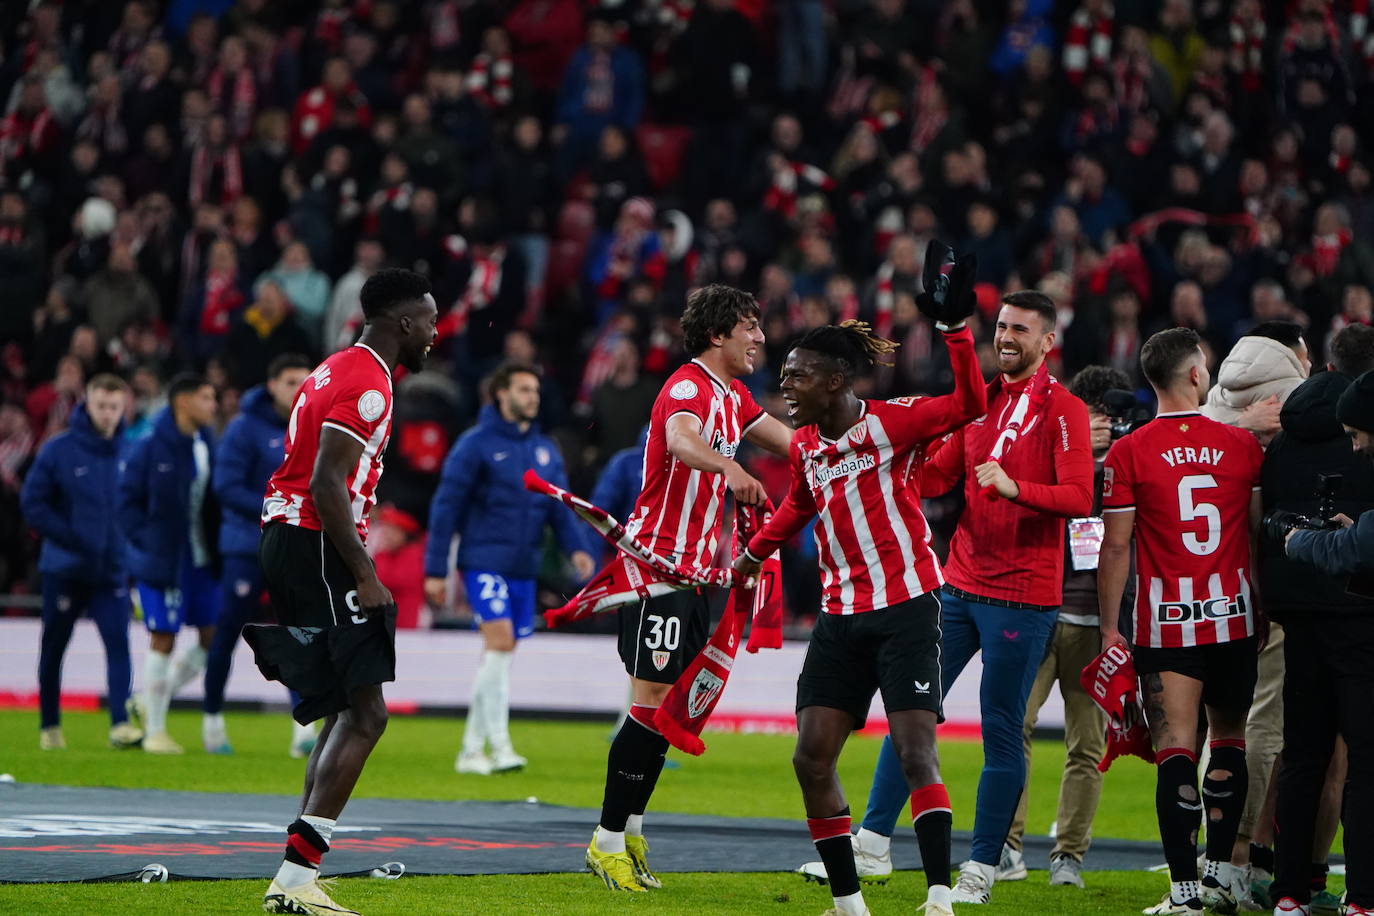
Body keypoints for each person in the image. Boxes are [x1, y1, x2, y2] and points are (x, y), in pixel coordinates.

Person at [837, 291, 1093, 905]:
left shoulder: (1067, 411)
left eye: (1020, 329)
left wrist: (1015, 486)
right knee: (912, 713)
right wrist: (898, 461)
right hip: (956, 585)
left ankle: (980, 867)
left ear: (1046, 342)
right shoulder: (980, 404)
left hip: (1023, 596)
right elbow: (937, 474)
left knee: (1002, 730)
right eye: (1001, 326)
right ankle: (872, 843)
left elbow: (1080, 497)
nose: (1005, 337)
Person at [735, 306, 985, 916]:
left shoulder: (894, 423)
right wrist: (751, 554)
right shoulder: (805, 450)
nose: (786, 387)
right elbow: (798, 504)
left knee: (914, 751)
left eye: (797, 377)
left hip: (907, 607)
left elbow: (970, 404)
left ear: (835, 381)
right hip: (840, 616)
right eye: (785, 375)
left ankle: (938, 900)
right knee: (810, 756)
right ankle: (849, 905)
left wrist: (954, 330)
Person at [585, 284, 794, 893]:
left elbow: (793, 443)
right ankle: (605, 841)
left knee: (665, 708)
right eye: (750, 326)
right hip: (661, 567)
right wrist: (728, 466)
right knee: (651, 705)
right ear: (717, 335)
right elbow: (680, 439)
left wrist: (855, 450)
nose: (760, 337)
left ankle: (630, 834)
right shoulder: (688, 386)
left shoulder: (735, 396)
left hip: (702, 572)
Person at [248, 268, 436, 916]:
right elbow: (328, 483)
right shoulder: (369, 384)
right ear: (403, 324)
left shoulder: (333, 368)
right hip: (317, 543)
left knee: (341, 711)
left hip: (288, 535)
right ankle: (297, 878)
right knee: (368, 713)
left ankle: (294, 877)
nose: (436, 336)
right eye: (431, 323)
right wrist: (364, 570)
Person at [1098, 327, 1265, 916]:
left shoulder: (1128, 452)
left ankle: (1185, 894)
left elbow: (1115, 548)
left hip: (1167, 625)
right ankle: (1220, 876)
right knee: (1229, 741)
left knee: (1174, 750)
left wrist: (1109, 628)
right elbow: (1254, 533)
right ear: (1196, 375)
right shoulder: (1244, 448)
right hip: (1235, 619)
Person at [423, 362, 595, 776]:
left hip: (523, 566)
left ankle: (469, 751)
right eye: (523, 389)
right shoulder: (474, 446)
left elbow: (558, 506)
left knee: (499, 655)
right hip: (483, 561)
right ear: (500, 394)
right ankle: (499, 747)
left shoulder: (544, 450)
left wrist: (578, 549)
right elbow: (447, 507)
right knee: (500, 643)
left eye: (535, 389)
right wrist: (435, 569)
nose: (532, 396)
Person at [1002, 365, 1135, 889]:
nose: (1102, 423)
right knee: (1013, 731)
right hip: (1038, 610)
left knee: (1086, 746)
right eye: (1092, 413)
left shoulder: (1129, 463)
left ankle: (1068, 857)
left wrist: (1109, 457)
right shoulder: (1047, 453)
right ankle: (1007, 847)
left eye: (1110, 415)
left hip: (1096, 624)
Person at [1260, 324, 1374, 916]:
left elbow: (1265, 513)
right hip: (1362, 615)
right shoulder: (1369, 439)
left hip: (1298, 613)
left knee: (1302, 756)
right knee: (1364, 759)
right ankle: (1363, 897)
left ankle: (1287, 893)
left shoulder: (1286, 435)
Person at [21, 374, 142, 751]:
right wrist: (72, 538)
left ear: (124, 408)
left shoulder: (131, 451)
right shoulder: (58, 450)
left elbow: (139, 506)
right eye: (101, 406)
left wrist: (130, 547)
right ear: (87, 404)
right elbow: (32, 504)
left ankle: (121, 724)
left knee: (118, 644)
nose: (107, 414)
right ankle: (50, 726)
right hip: (66, 568)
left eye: (114, 407)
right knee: (55, 646)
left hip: (110, 570)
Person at [203, 353, 314, 757]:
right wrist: (278, 507)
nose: (299, 389)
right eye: (290, 382)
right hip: (245, 549)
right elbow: (226, 487)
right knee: (227, 634)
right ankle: (212, 721)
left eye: (305, 381)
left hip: (292, 549)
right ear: (271, 385)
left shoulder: (313, 427)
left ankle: (303, 729)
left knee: (297, 635)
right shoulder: (243, 428)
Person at [119, 373, 222, 756]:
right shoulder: (148, 447)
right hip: (164, 561)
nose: (213, 406)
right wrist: (149, 547)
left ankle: (147, 703)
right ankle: (155, 733)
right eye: (207, 398)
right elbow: (126, 505)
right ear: (183, 401)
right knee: (163, 638)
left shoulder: (205, 443)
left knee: (214, 637)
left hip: (201, 560)